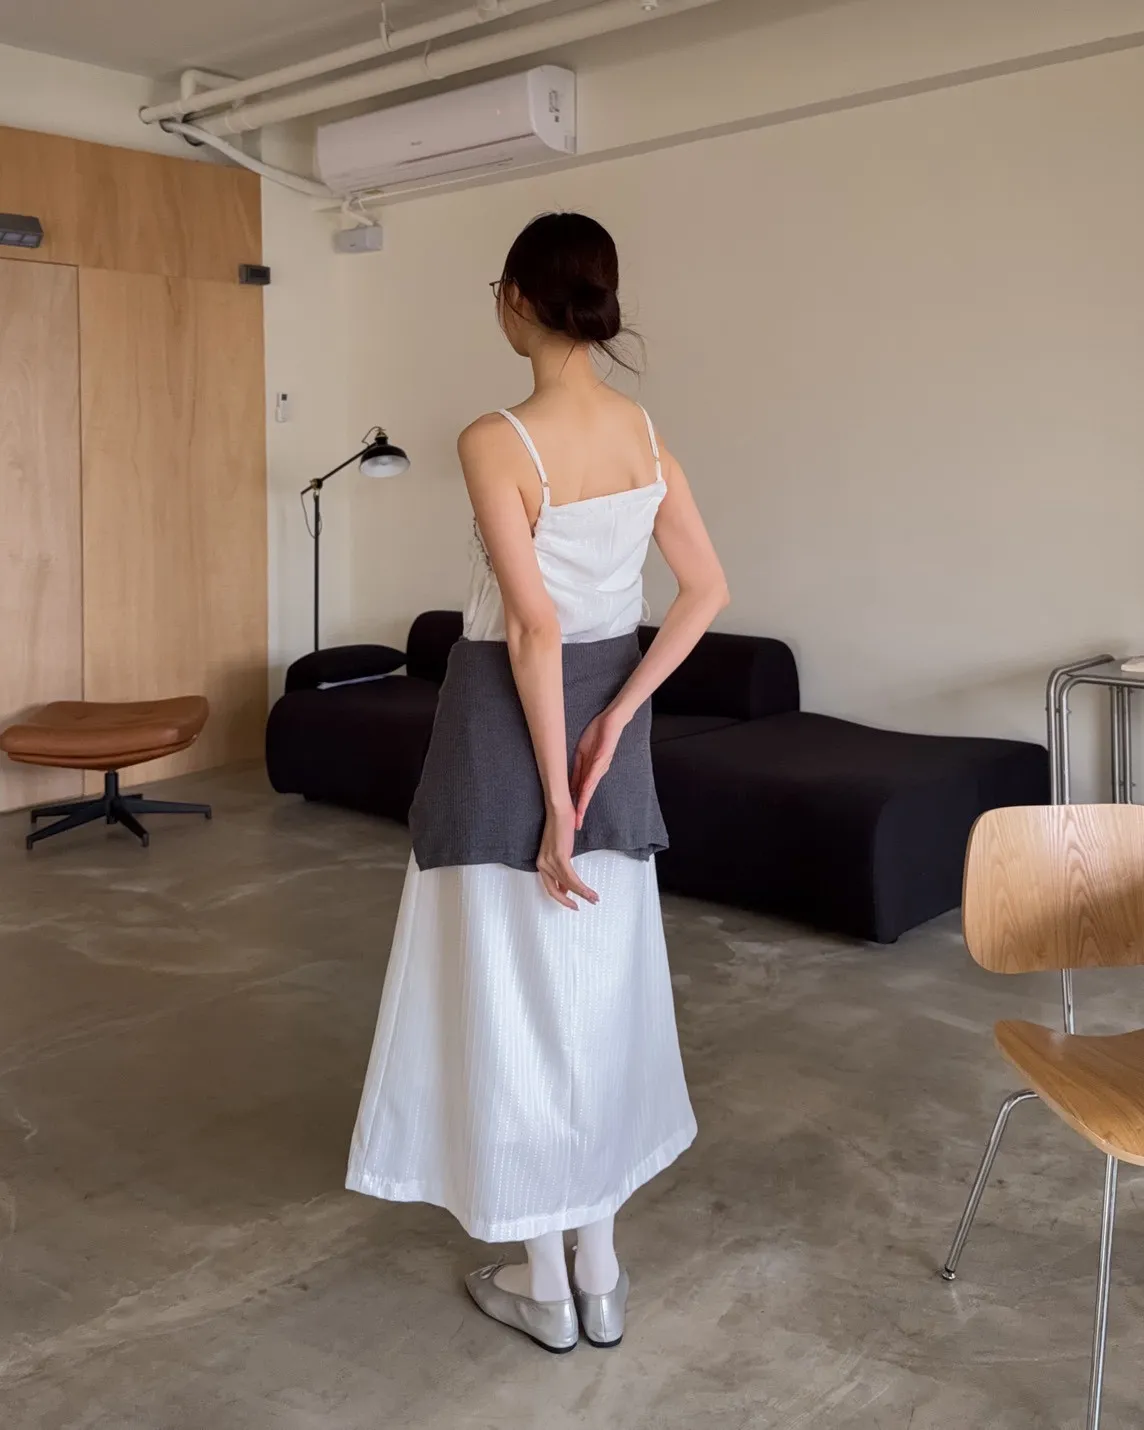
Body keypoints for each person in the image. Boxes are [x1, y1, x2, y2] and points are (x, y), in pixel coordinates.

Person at [346, 211, 729, 1354]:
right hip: (607, 738)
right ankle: (595, 1270)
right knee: (596, 997)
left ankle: (543, 1280)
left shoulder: (495, 438)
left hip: (501, 740)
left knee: (507, 1000)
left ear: (516, 298)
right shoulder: (643, 434)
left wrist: (554, 799)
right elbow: (705, 590)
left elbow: (530, 625)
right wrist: (615, 719)